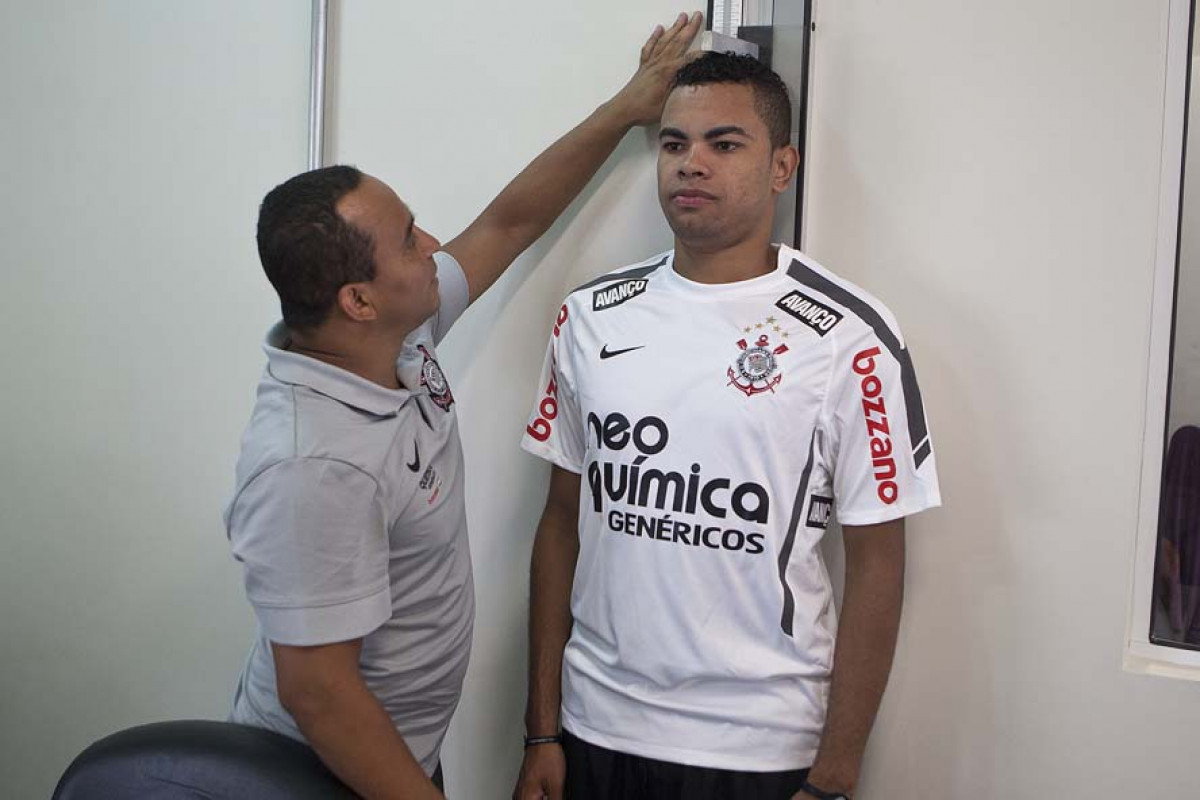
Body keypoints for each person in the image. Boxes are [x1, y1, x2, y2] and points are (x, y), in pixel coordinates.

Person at [222, 13, 704, 800]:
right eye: (410, 240)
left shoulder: (391, 339)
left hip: (400, 753)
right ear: (357, 299)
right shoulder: (313, 464)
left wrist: (627, 108)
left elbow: (509, 222)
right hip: (326, 774)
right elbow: (319, 693)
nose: (434, 243)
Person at [514, 52, 941, 800]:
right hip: (595, 727)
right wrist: (541, 728)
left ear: (783, 167)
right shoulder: (589, 315)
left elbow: (879, 561)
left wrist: (836, 772)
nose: (691, 164)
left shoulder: (852, 335)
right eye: (674, 144)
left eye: (724, 143)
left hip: (759, 748)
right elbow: (560, 523)